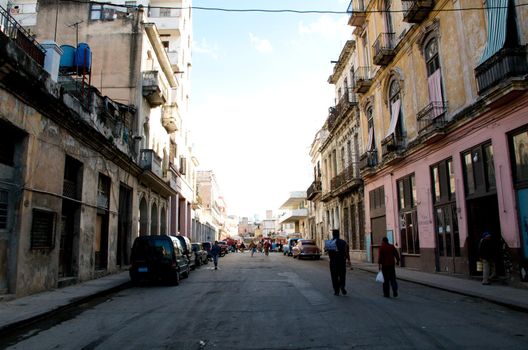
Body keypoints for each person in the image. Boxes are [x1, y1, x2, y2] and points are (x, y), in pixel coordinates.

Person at [328, 229, 351, 296]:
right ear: (338, 234)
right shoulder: (344, 242)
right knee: (342, 275)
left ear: (333, 234)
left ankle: (336, 291)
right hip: (341, 262)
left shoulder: (330, 242)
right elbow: (347, 253)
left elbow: (328, 252)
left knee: (334, 276)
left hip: (333, 262)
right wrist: (349, 261)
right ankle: (342, 286)